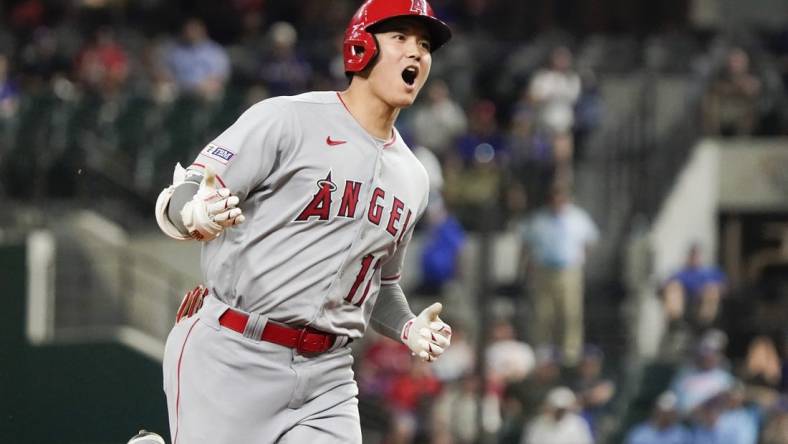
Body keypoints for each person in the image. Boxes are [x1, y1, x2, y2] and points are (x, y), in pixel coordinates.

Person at [153, 1, 454, 442]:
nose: (416, 53)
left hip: (328, 375)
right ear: (360, 48)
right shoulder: (289, 119)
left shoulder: (414, 177)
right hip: (233, 355)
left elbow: (381, 285)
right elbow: (181, 194)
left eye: (424, 44)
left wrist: (408, 326)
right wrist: (195, 212)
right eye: (400, 38)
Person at [518, 183, 599, 365]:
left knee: (570, 311)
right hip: (543, 270)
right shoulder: (538, 219)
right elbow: (526, 245)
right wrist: (525, 268)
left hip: (569, 270)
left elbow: (589, 241)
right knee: (543, 312)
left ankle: (570, 354)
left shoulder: (579, 218)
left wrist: (579, 261)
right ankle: (542, 352)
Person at [624, 391, 690, 444]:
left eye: (670, 412)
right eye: (662, 412)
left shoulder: (683, 435)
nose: (664, 416)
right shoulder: (640, 432)